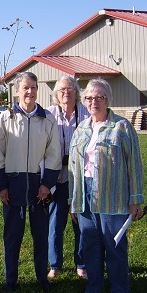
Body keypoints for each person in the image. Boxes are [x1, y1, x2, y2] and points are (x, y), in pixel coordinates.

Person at [68, 78, 145, 293]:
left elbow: (135, 164)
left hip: (114, 195)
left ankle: (119, 291)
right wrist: (73, 201)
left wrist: (136, 199)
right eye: (89, 98)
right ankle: (93, 288)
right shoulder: (81, 128)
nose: (94, 102)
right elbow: (73, 166)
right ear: (84, 101)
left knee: (114, 246)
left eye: (99, 97)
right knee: (89, 244)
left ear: (107, 100)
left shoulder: (121, 127)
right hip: (85, 195)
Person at [0, 72, 61, 293]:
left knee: (40, 235)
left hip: (38, 186)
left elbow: (53, 153)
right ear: (18, 90)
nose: (30, 92)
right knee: (12, 235)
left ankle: (42, 277)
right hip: (13, 184)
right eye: (26, 88)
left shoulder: (47, 118)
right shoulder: (6, 118)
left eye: (33, 88)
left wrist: (47, 183)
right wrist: (1, 185)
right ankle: (10, 279)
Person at [46, 76, 89, 280]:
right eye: (62, 90)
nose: (66, 93)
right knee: (56, 222)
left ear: (76, 92)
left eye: (70, 89)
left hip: (82, 178)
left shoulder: (86, 113)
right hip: (59, 178)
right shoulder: (50, 114)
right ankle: (55, 265)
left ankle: (82, 264)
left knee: (80, 222)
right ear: (56, 94)